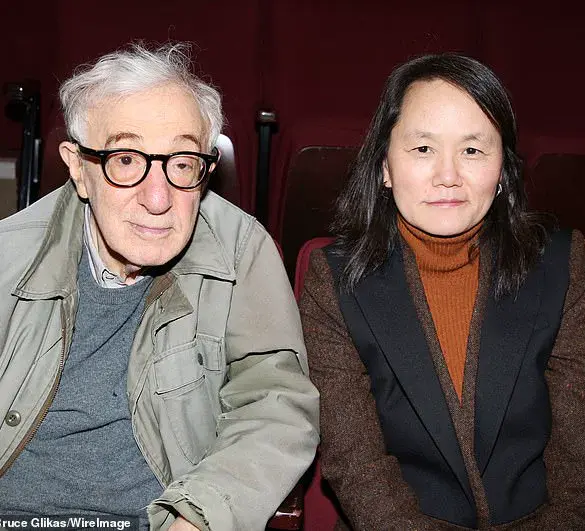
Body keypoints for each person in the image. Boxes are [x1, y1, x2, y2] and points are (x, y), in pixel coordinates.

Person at [0, 42, 319, 531]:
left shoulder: (239, 251)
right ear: (78, 168)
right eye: (126, 160)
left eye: (182, 162)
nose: (157, 198)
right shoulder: (10, 257)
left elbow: (275, 404)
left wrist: (201, 514)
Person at [300, 53, 585, 530]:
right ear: (385, 166)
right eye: (423, 148)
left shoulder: (563, 264)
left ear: (503, 170)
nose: (448, 175)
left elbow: (576, 459)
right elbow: (357, 466)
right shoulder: (334, 281)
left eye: (472, 150)